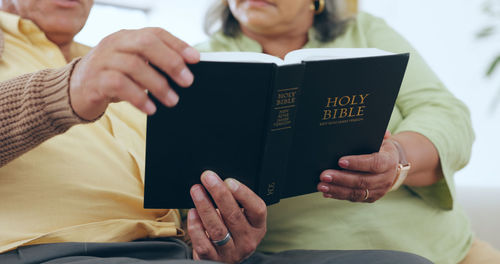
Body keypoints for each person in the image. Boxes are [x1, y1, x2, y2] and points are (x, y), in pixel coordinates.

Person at [0, 0, 433, 263]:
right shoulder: (95, 68)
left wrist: (217, 234)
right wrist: (69, 88)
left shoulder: (128, 67)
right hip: (58, 253)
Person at [196, 0, 500, 263]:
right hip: (300, 255)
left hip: (448, 252)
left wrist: (397, 158)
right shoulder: (194, 63)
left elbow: (446, 114)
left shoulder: (365, 32)